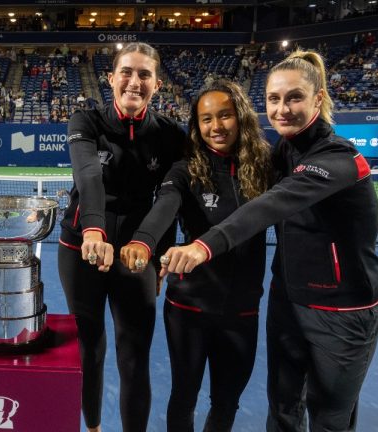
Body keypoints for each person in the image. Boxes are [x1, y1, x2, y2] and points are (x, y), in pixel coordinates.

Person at [160, 50, 378, 432]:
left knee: (329, 418)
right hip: (287, 302)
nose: (283, 108)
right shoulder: (282, 152)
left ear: (318, 98)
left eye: (294, 97)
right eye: (274, 99)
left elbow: (268, 206)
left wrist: (202, 246)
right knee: (282, 410)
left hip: (341, 312)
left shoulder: (338, 159)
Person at [120, 79, 272, 431]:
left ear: (241, 117)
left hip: (243, 312)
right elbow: (165, 206)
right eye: (206, 119)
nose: (215, 127)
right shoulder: (186, 170)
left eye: (224, 116)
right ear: (196, 126)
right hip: (188, 311)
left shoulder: (265, 168)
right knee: (183, 398)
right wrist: (143, 241)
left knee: (226, 403)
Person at [58, 42, 186, 432]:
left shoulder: (171, 135)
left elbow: (171, 197)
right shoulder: (86, 120)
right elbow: (88, 176)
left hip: (137, 253)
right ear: (111, 79)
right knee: (89, 350)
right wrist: (93, 230)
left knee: (133, 357)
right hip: (82, 247)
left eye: (144, 74)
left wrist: (154, 251)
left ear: (157, 84)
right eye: (126, 72)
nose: (134, 81)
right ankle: (93, 428)